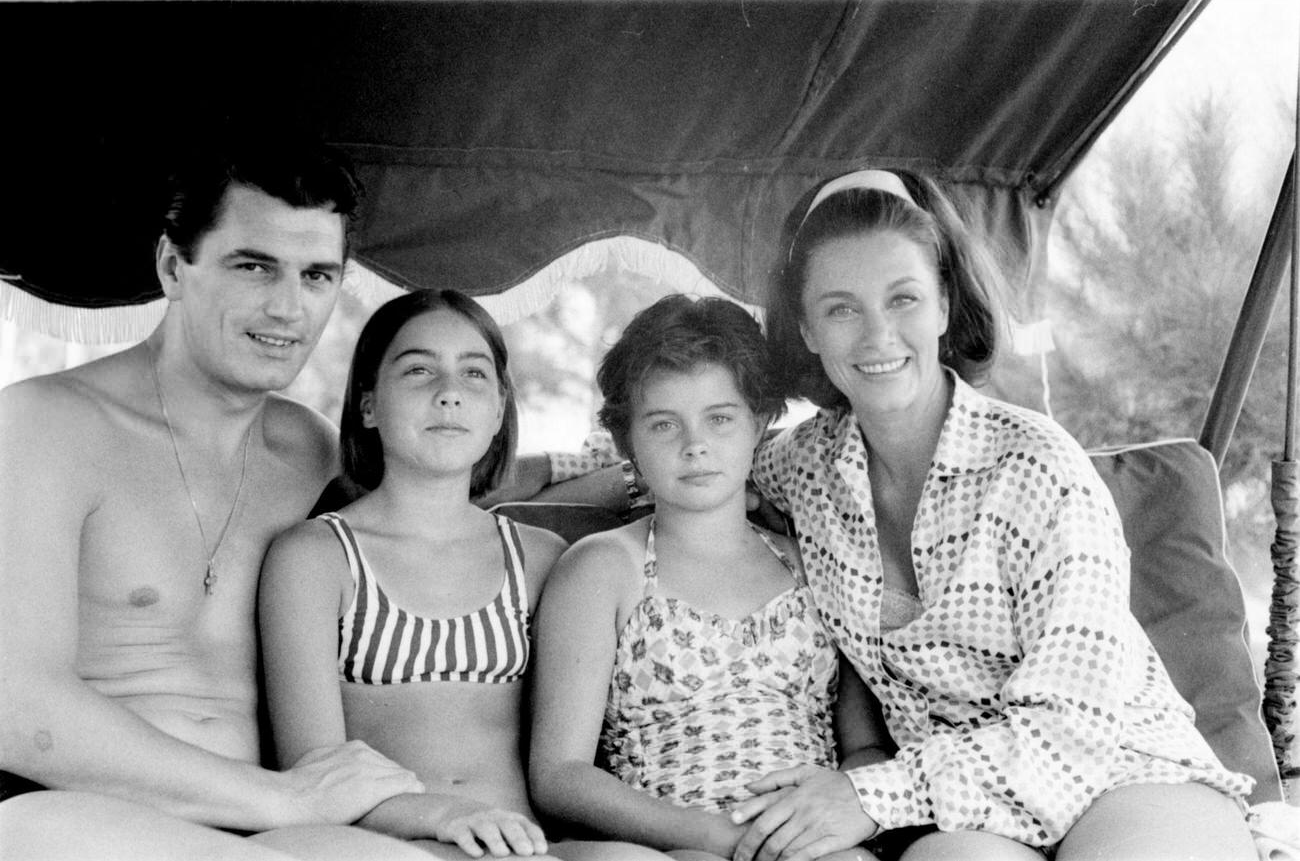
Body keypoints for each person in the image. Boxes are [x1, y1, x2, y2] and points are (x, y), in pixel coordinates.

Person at [723, 169, 1258, 861]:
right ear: (806, 329)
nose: (877, 334)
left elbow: (1074, 726)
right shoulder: (805, 465)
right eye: (841, 308)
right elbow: (695, 455)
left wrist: (868, 795)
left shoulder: (1038, 466)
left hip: (1120, 774)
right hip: (960, 813)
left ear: (945, 305)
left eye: (904, 298)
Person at [0, 137, 431, 860]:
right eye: (254, 265)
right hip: (58, 810)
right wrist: (283, 797)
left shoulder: (313, 450)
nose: (289, 307)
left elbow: (443, 489)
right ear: (174, 266)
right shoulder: (42, 425)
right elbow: (14, 704)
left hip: (260, 822)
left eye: (317, 275)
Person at [258, 289, 668, 861]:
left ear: (499, 409)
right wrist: (444, 814)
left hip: (527, 845)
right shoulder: (316, 555)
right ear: (369, 404)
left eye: (474, 374)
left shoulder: (539, 558)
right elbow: (311, 767)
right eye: (419, 370)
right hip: (382, 843)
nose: (449, 394)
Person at [528, 295, 889, 861]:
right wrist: (708, 835)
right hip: (667, 843)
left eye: (719, 418)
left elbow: (865, 744)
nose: (694, 445)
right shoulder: (603, 569)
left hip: (806, 841)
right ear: (627, 443)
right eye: (664, 424)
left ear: (760, 423)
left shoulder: (812, 562)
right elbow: (560, 775)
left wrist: (832, 810)